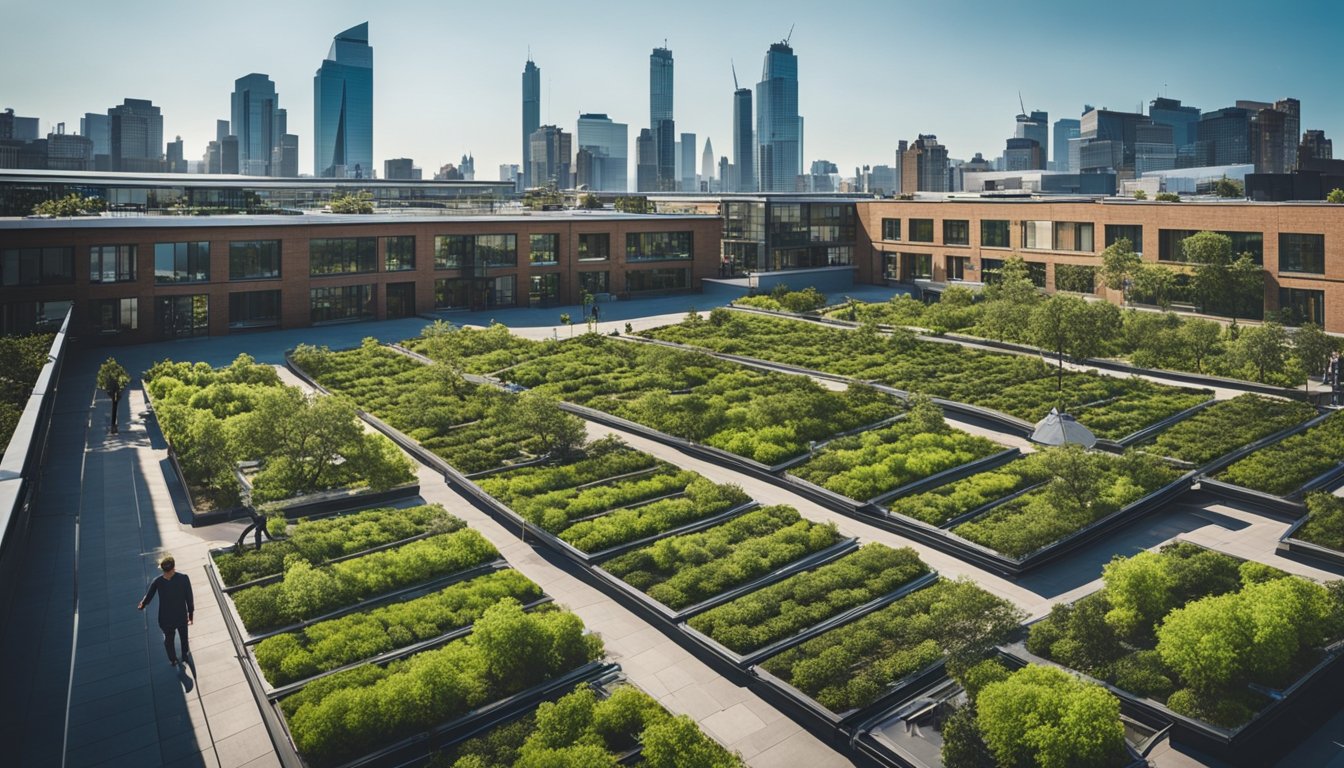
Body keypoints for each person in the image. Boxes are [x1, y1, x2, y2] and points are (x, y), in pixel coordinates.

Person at [138, 555, 194, 666]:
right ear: (173, 568)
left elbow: (149, 596)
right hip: (181, 616)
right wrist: (190, 614)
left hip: (165, 619)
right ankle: (184, 655)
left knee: (169, 640)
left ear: (163, 569)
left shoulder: (157, 581)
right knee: (183, 638)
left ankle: (173, 659)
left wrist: (143, 605)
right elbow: (189, 598)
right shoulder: (184, 578)